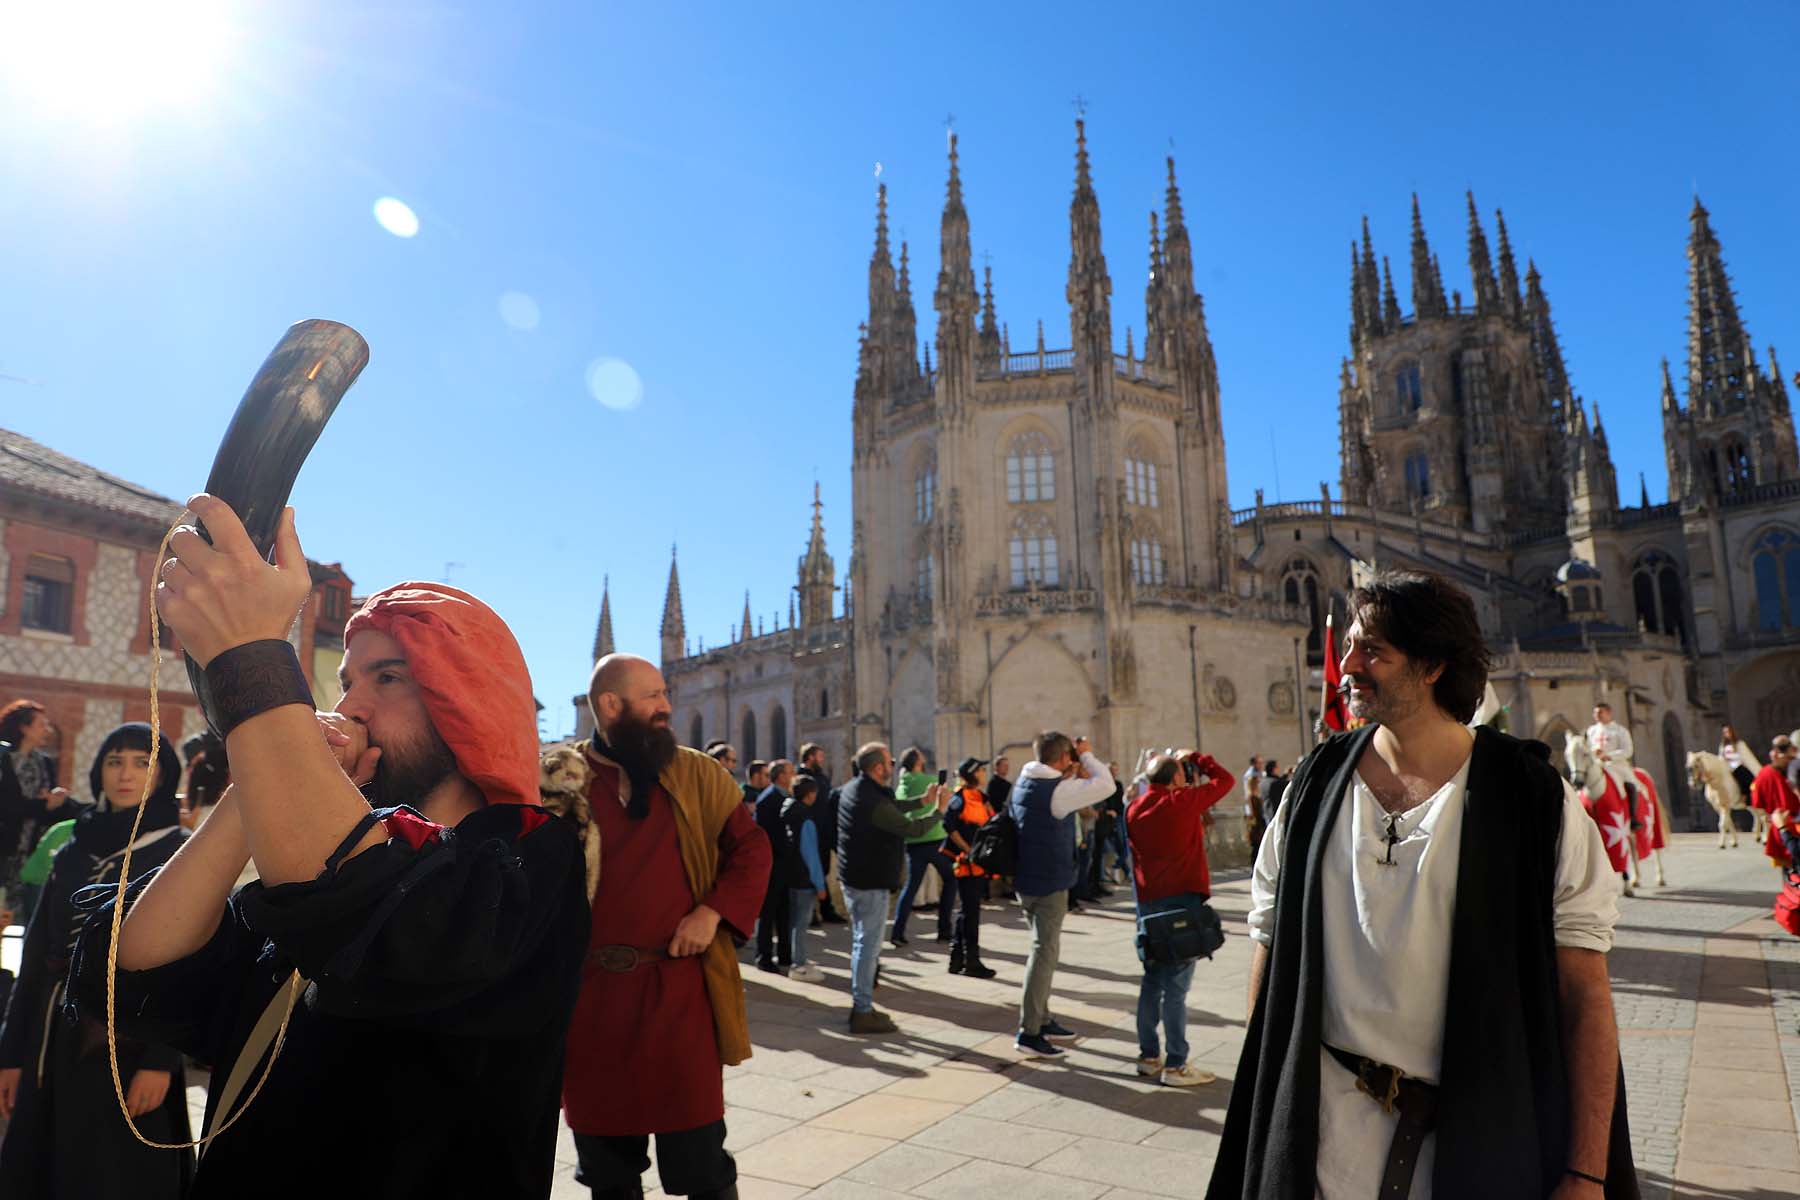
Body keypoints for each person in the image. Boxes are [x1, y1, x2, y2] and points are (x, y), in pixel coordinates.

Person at [70, 497, 592, 1199]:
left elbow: (394, 930)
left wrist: (250, 663)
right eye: (347, 682)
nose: (349, 708)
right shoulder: (310, 857)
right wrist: (247, 797)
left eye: (389, 677)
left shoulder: (531, 855)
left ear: (467, 700)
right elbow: (133, 977)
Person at [1208, 569, 1633, 1200]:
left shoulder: (1532, 799)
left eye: (1372, 650)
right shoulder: (1313, 787)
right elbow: (1269, 948)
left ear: (1433, 665)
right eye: (1350, 645)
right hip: (1322, 1140)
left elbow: (1584, 998)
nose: (1347, 663)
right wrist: (1269, 1107)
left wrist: (1584, 1171)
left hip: (1481, 1139)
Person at [571, 653, 771, 1199]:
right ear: (611, 705)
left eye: (665, 694)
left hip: (679, 995)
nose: (667, 705)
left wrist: (712, 912)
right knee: (608, 1174)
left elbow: (751, 851)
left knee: (703, 1166)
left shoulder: (698, 773)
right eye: (654, 696)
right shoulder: (562, 786)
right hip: (593, 1007)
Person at [0, 724, 194, 1198]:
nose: (125, 774)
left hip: (129, 1038)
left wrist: (160, 1061)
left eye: (140, 762)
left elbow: (187, 962)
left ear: (162, 773)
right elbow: (35, 957)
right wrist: (10, 1053)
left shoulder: (180, 852)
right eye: (114, 761)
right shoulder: (71, 851)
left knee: (114, 1173)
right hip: (52, 1038)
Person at [1127, 749, 1235, 1088]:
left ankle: (1148, 1057)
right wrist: (1199, 758)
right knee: (1175, 989)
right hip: (1183, 903)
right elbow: (1225, 781)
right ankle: (1176, 1064)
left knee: (1151, 982)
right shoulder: (1183, 801)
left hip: (1149, 905)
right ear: (1176, 779)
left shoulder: (1134, 808)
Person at [1009, 731, 1114, 1059]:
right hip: (1048, 883)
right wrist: (1087, 756)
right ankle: (1029, 1031)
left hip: (1027, 880)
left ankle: (1041, 1016)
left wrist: (1072, 765)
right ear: (1063, 758)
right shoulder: (1058, 792)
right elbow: (1106, 785)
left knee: (1044, 952)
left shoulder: (1025, 779)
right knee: (1043, 954)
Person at [835, 743, 949, 1033]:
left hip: (855, 878)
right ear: (877, 768)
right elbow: (912, 829)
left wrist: (921, 801)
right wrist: (939, 811)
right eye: (889, 761)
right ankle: (862, 1011)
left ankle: (863, 1003)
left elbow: (891, 807)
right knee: (868, 946)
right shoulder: (870, 800)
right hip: (869, 882)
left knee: (863, 943)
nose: (893, 765)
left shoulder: (855, 788)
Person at [1, 701, 75, 903]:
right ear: (24, 727)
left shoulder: (45, 763)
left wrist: (56, 800)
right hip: (5, 848)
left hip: (33, 849)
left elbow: (45, 806)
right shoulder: (3, 759)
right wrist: (43, 805)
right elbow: (7, 805)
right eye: (42, 725)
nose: (48, 730)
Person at [890, 748, 954, 946]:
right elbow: (947, 799)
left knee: (910, 888)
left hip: (912, 842)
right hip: (934, 839)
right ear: (917, 761)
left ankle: (897, 932)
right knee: (951, 881)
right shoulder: (928, 781)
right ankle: (944, 931)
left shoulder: (900, 786)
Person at [941, 757, 997, 978]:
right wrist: (968, 850)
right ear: (973, 773)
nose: (985, 773)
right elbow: (949, 824)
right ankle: (971, 961)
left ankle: (957, 958)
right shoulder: (960, 797)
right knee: (970, 911)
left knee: (968, 910)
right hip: (966, 864)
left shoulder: (981, 797)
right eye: (982, 770)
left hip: (979, 863)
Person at [781, 777, 828, 983]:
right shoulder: (806, 818)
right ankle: (798, 964)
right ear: (810, 794)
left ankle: (796, 959)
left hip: (790, 874)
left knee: (794, 922)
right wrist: (820, 884)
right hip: (803, 878)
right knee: (801, 923)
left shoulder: (788, 811)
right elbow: (811, 855)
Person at [753, 759, 796, 972]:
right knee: (768, 911)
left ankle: (785, 954)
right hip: (772, 864)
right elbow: (768, 835)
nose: (793, 775)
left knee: (784, 911)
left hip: (783, 864)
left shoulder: (784, 797)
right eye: (790, 772)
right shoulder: (769, 799)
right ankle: (764, 956)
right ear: (781, 776)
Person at [797, 743, 846, 925]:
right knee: (810, 871)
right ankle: (813, 912)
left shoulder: (821, 777)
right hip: (810, 831)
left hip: (825, 831)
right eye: (819, 756)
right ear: (810, 757)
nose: (822, 760)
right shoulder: (801, 777)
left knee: (823, 870)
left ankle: (825, 910)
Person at [1751, 738, 1800, 867]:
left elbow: (1757, 803)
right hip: (1784, 830)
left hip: (1782, 831)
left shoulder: (1765, 774)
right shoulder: (1766, 774)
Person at [1586, 702, 1638, 809]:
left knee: (1630, 784)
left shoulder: (1620, 731)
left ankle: (1633, 817)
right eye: (1595, 713)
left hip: (1616, 765)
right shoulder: (1591, 731)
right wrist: (1594, 751)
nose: (1597, 715)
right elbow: (1587, 748)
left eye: (1600, 712)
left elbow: (1628, 750)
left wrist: (1609, 756)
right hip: (1597, 765)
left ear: (1609, 713)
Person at [1719, 724, 1760, 800]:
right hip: (1730, 770)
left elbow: (1745, 757)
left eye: (1728, 732)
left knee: (1750, 781)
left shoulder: (1739, 744)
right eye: (1725, 732)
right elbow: (1721, 759)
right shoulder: (1723, 747)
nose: (1727, 734)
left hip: (1739, 768)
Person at [1242, 755, 1266, 849]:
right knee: (1256, 838)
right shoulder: (1251, 775)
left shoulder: (1258, 773)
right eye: (1259, 763)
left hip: (1256, 809)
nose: (1261, 765)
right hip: (1254, 811)